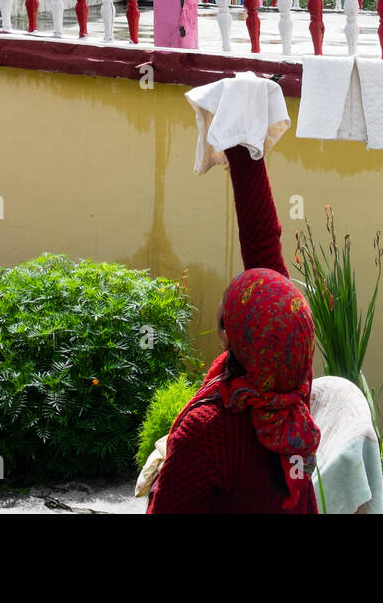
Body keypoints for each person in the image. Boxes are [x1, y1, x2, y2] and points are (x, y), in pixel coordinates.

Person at [147, 146, 320, 513]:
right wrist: (245, 149)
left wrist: (168, 463)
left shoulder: (209, 431)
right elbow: (264, 243)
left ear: (231, 336)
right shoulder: (292, 384)